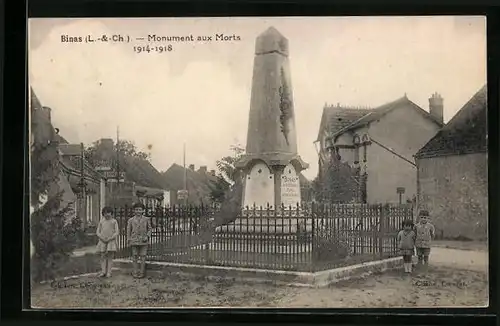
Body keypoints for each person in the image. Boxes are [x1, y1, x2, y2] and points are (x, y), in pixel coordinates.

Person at [127, 203, 151, 278]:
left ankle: (142, 272)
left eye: (140, 210)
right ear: (134, 210)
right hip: (134, 240)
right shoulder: (131, 220)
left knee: (143, 256)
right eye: (136, 209)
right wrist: (129, 239)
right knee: (134, 256)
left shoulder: (146, 219)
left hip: (143, 241)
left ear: (143, 211)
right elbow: (128, 230)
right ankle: (135, 272)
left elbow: (150, 229)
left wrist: (147, 236)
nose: (138, 211)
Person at [96, 206, 119, 278]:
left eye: (108, 212)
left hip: (110, 241)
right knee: (102, 257)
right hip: (102, 241)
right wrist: (101, 238)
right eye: (105, 213)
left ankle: (109, 272)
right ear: (103, 214)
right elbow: (97, 231)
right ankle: (103, 271)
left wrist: (110, 238)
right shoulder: (101, 221)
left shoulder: (114, 221)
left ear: (111, 213)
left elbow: (116, 232)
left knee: (110, 257)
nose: (107, 214)